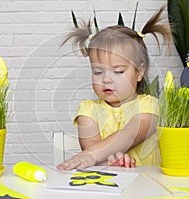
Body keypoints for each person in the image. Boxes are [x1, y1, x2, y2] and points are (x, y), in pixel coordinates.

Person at [57, 7, 171, 170]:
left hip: (148, 187)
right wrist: (111, 162)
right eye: (98, 71)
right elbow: (93, 148)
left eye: (118, 71)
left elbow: (129, 134)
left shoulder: (150, 106)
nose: (106, 79)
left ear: (139, 73)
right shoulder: (88, 110)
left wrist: (93, 155)